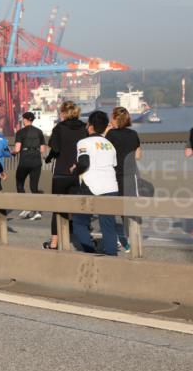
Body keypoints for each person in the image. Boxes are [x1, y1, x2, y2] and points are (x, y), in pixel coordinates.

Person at [71, 110, 118, 256]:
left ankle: (91, 252)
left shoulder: (84, 142)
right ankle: (111, 256)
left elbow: (84, 163)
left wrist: (74, 170)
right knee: (108, 226)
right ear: (105, 127)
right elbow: (114, 165)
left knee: (79, 222)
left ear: (89, 126)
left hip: (91, 186)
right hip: (111, 186)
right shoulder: (109, 144)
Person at [43, 101, 88, 250]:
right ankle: (83, 240)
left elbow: (55, 148)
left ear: (63, 113)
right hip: (79, 173)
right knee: (75, 208)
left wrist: (49, 158)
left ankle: (54, 242)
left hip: (61, 173)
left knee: (58, 208)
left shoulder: (59, 128)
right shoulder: (84, 128)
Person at [105, 106, 142, 253]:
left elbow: (104, 151)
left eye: (111, 117)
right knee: (130, 209)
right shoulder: (133, 134)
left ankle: (118, 241)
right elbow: (138, 155)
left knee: (111, 207)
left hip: (113, 175)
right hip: (130, 175)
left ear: (115, 119)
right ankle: (133, 240)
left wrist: (107, 131)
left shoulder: (111, 134)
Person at [12, 111, 46, 220]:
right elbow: (42, 149)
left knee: (19, 182)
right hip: (36, 161)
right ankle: (37, 211)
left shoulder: (20, 132)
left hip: (25, 161)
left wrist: (12, 152)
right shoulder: (39, 132)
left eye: (23, 119)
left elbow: (17, 149)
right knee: (34, 186)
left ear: (26, 120)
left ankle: (25, 207)